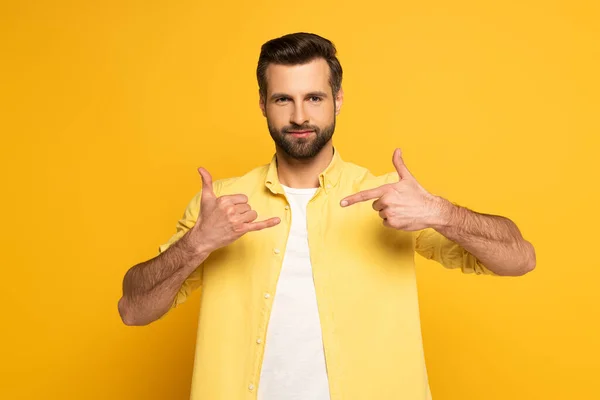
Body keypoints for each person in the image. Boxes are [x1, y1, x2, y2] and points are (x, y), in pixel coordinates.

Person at [118, 32, 536, 400]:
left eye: (314, 98)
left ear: (337, 99)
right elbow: (133, 309)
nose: (300, 116)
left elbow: (520, 259)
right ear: (263, 104)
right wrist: (199, 242)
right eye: (284, 99)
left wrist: (439, 212)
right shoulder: (221, 204)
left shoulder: (387, 197)